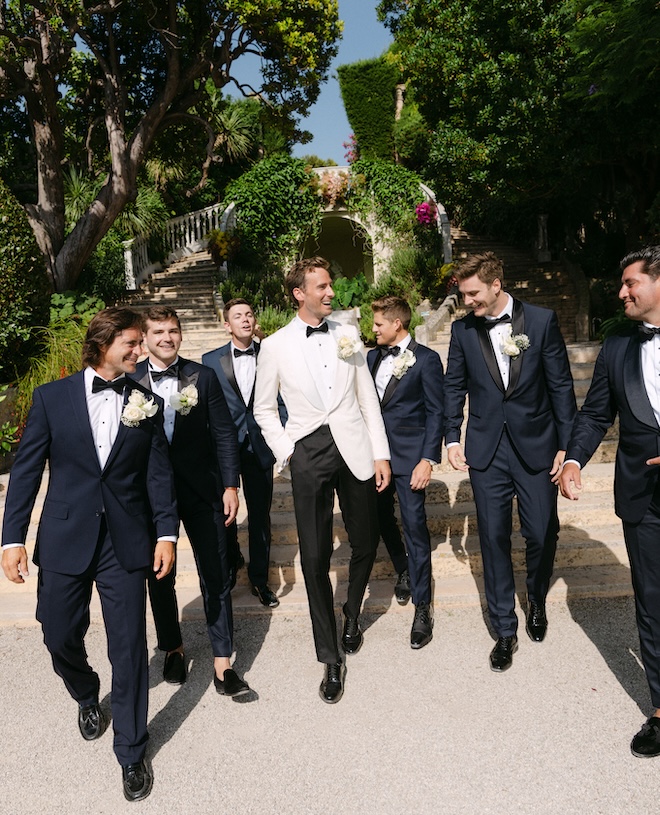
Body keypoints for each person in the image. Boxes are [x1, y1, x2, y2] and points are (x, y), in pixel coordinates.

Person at [1, 307, 178, 802]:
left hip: (125, 542)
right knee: (57, 633)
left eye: (141, 342)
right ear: (103, 343)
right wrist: (11, 538)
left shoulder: (146, 402)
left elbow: (157, 475)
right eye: (132, 342)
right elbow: (27, 472)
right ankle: (84, 692)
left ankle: (131, 749)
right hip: (64, 536)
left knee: (129, 647)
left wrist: (165, 532)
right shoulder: (51, 398)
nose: (141, 351)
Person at [253, 257, 391, 703]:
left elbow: (367, 397)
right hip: (307, 452)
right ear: (300, 293)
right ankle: (330, 658)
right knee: (313, 556)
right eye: (323, 286)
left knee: (367, 540)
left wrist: (380, 452)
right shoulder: (273, 346)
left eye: (330, 285)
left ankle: (352, 611)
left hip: (354, 446)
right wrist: (288, 449)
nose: (331, 292)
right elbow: (264, 410)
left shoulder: (348, 335)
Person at [444, 252, 576, 671]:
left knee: (541, 532)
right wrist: (451, 437)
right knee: (493, 538)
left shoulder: (540, 321)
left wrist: (567, 448)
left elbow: (560, 386)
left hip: (537, 446)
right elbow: (453, 386)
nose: (467, 302)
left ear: (496, 283)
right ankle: (505, 628)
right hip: (486, 450)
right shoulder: (462, 331)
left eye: (473, 293)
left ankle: (535, 596)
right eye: (463, 294)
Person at [559, 245, 660, 757]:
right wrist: (575, 458)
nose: (621, 292)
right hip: (644, 500)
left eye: (630, 283)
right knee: (652, 602)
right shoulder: (618, 345)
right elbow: (596, 413)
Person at [130, 305, 250, 696]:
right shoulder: (128, 382)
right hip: (150, 499)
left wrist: (230, 485)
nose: (167, 337)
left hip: (202, 491)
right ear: (145, 339)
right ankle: (174, 648)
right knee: (159, 576)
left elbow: (225, 435)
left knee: (214, 571)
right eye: (159, 332)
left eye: (173, 331)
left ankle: (222, 661)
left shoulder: (204, 377)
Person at [367, 295, 444, 649]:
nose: (373, 329)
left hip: (410, 459)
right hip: (373, 459)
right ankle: (403, 568)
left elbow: (435, 413)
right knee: (381, 519)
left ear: (397, 323)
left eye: (379, 324)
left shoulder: (427, 360)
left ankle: (422, 608)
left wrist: (427, 460)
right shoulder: (369, 357)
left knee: (415, 527)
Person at [203, 298, 286, 608]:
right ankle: (232, 557)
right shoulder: (209, 360)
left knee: (260, 515)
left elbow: (282, 398)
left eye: (249, 314)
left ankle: (260, 580)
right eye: (238, 316)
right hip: (223, 448)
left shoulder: (271, 353)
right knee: (225, 513)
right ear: (228, 325)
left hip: (260, 445)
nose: (245, 319)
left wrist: (283, 435)